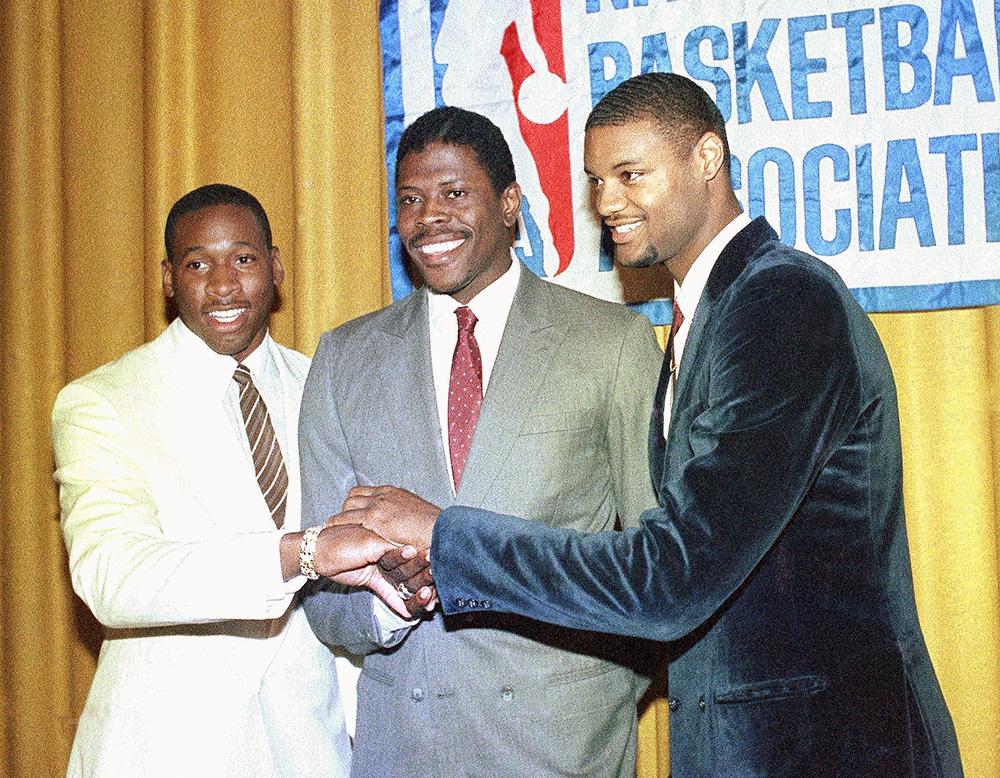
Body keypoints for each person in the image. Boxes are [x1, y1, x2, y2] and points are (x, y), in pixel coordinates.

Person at [335, 75, 964, 777]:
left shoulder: (783, 302)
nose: (607, 202)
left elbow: (674, 576)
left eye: (631, 175)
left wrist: (445, 535)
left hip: (836, 750)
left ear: (707, 158)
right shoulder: (706, 315)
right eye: (596, 181)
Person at [297, 106, 663, 778]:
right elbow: (323, 595)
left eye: (454, 193)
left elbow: (659, 567)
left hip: (567, 748)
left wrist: (595, 692)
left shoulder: (612, 344)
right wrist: (391, 601)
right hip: (408, 750)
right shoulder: (344, 359)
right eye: (410, 200)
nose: (428, 218)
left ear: (510, 204)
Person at [51, 184, 412, 777]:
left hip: (311, 750)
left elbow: (349, 583)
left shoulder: (325, 385)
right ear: (169, 279)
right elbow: (110, 576)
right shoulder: (102, 401)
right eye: (198, 264)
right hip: (165, 753)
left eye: (243, 259)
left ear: (275, 267)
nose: (223, 285)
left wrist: (399, 592)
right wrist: (301, 553)